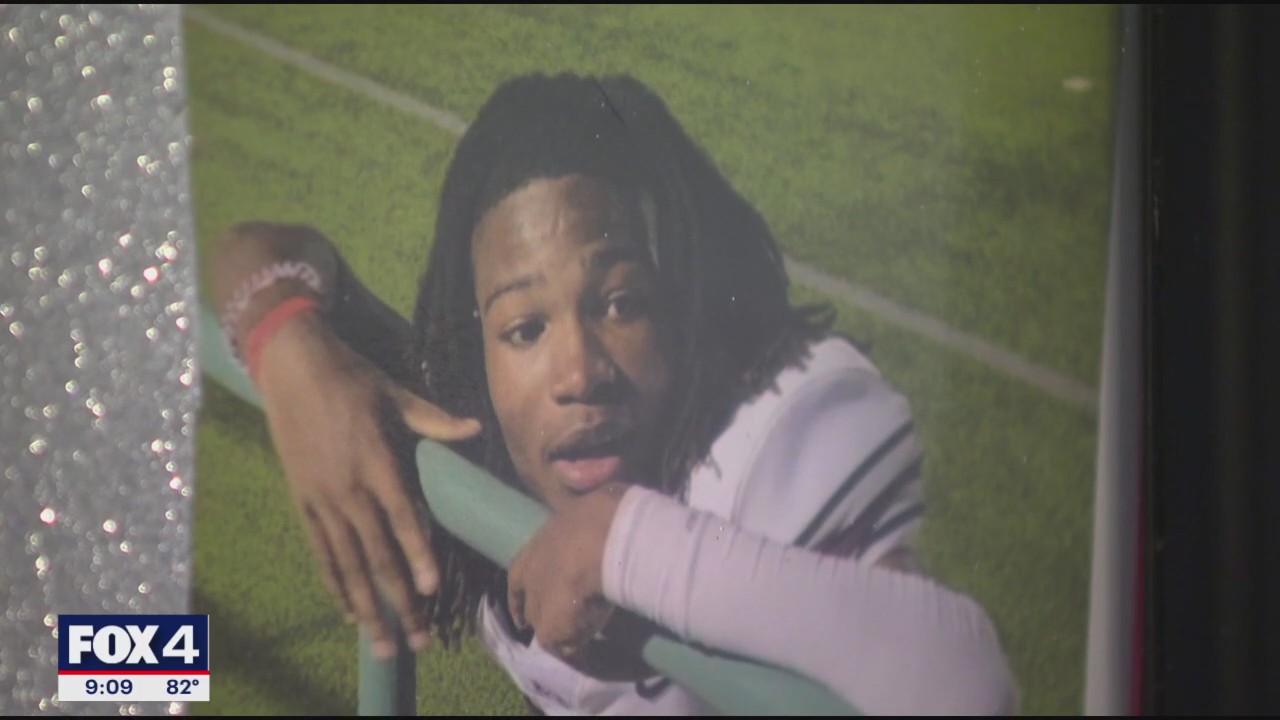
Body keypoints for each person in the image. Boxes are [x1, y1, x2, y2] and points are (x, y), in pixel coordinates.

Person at [211, 72, 1018, 715]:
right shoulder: (472, 428)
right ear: (476, 347)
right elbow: (247, 250)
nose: (579, 373)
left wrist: (631, 544)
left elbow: (963, 680)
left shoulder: (771, 441)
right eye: (525, 328)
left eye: (622, 303)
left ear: (681, 303)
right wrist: (290, 345)